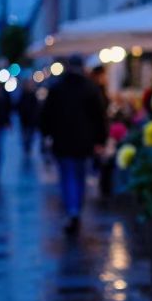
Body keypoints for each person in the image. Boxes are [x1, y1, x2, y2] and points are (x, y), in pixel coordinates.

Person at [41, 55, 107, 234]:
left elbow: (46, 115)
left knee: (67, 176)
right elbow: (99, 117)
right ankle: (75, 208)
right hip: (84, 142)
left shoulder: (57, 88)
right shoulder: (90, 89)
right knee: (79, 176)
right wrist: (100, 140)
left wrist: (47, 135)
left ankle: (73, 210)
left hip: (63, 141)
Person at [16, 80, 41, 155]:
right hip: (24, 121)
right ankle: (26, 147)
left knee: (30, 136)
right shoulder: (23, 96)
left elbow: (36, 108)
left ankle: (28, 147)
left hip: (31, 121)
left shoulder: (33, 96)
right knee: (25, 135)